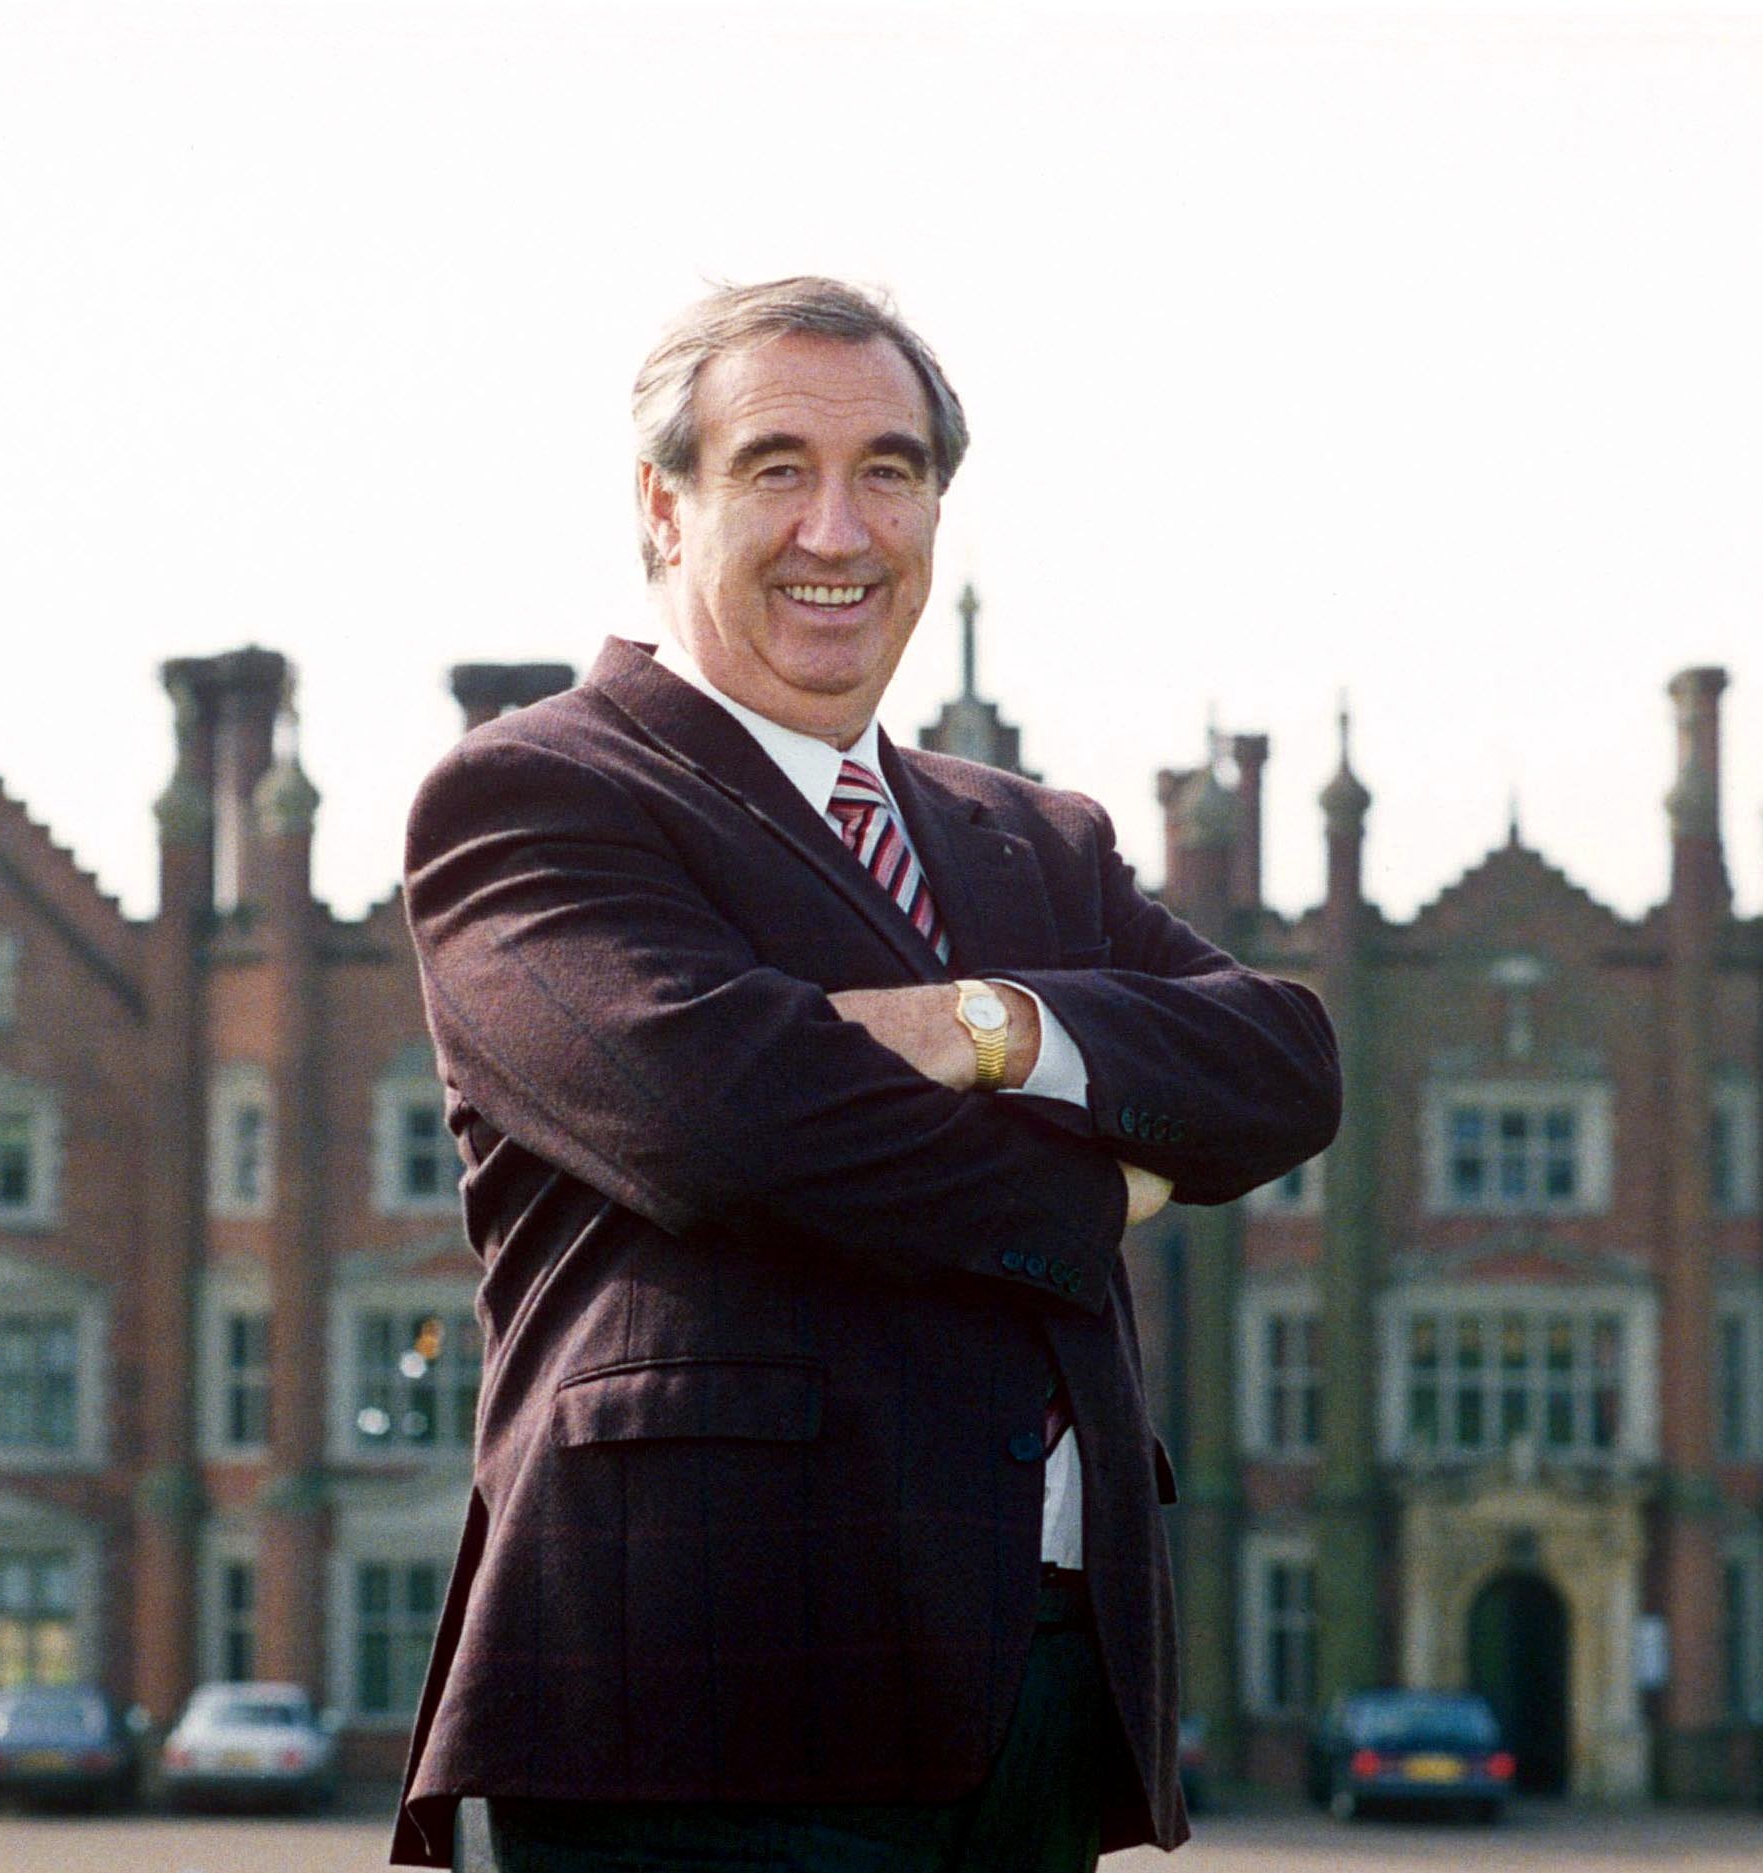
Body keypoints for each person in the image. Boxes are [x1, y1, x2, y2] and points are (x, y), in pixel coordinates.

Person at [389, 276, 1340, 1871]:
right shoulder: (536, 793)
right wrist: (1105, 1174)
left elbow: (1285, 1065)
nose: (838, 529)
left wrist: (992, 1027)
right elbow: (728, 1122)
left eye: (888, 471)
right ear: (661, 506)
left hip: (1043, 1689)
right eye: (775, 467)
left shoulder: (1035, 838)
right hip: (701, 1687)